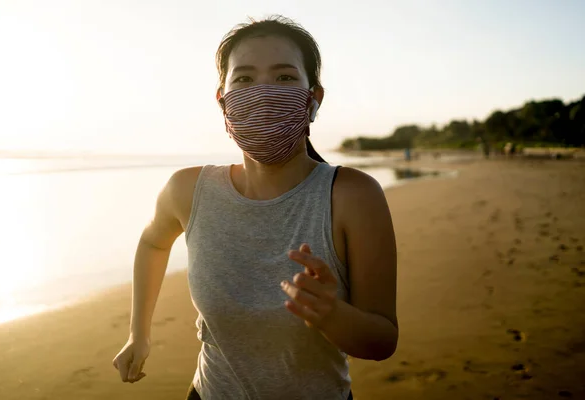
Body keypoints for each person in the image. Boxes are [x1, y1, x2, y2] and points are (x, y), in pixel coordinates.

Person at [112, 15, 398, 400]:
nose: (263, 94)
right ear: (223, 100)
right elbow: (152, 243)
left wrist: (333, 316)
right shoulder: (187, 190)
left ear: (314, 99)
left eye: (283, 78)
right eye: (244, 79)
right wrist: (138, 334)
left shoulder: (353, 196)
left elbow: (381, 341)